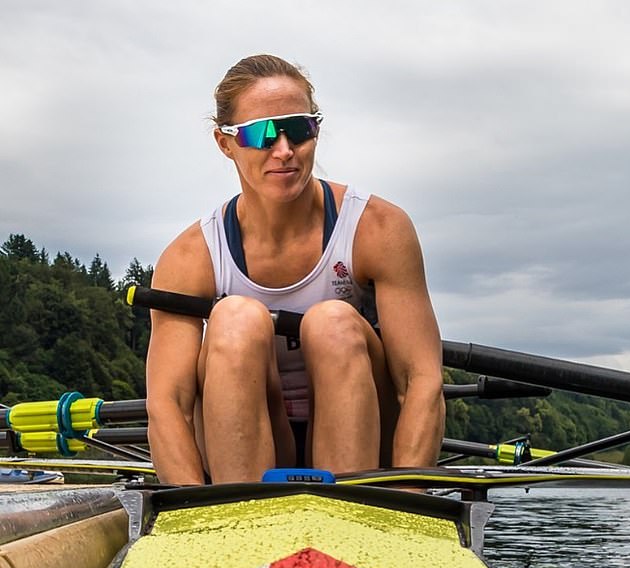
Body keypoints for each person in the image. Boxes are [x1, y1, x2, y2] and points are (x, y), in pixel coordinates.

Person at [146, 54, 445, 485]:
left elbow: (420, 381)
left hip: (364, 442)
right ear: (225, 142)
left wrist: (407, 499)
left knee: (334, 323)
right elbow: (168, 404)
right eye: (261, 134)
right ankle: (235, 513)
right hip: (246, 437)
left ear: (316, 130)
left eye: (299, 129)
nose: (284, 150)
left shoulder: (379, 228)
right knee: (235, 318)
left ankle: (359, 512)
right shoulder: (190, 257)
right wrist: (189, 513)